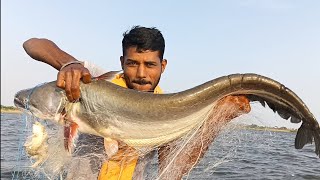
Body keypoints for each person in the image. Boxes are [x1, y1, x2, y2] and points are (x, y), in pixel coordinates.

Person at [23, 26, 251, 179]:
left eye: (150, 65)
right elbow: (32, 44)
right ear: (122, 62)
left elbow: (173, 171)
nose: (141, 73)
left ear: (163, 66)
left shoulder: (169, 110)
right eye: (132, 63)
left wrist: (218, 118)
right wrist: (68, 63)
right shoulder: (94, 81)